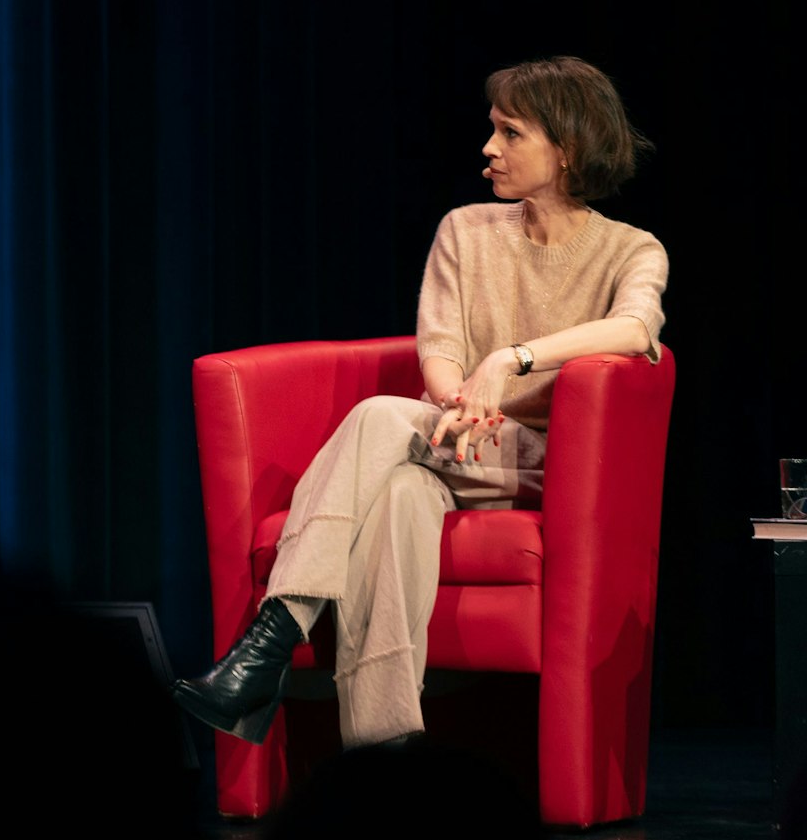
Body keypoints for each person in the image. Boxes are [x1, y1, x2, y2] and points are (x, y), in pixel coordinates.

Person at [172, 56, 668, 749]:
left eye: (510, 133)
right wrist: (458, 399)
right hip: (452, 438)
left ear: (569, 149)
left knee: (379, 415)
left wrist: (510, 358)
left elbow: (636, 328)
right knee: (402, 494)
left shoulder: (630, 249)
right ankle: (381, 750)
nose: (488, 148)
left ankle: (270, 641)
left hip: (544, 467)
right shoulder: (465, 230)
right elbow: (438, 348)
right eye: (491, 129)